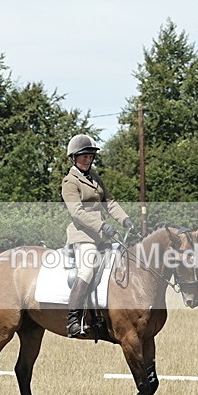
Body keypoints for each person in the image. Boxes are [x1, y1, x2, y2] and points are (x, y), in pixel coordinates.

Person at [61, 134, 134, 337]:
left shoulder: (95, 178)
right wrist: (102, 226)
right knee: (87, 269)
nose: (88, 159)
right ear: (74, 157)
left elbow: (109, 202)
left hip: (101, 235)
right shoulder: (70, 182)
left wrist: (125, 220)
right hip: (82, 235)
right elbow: (77, 212)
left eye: (90, 156)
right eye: (84, 156)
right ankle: (73, 320)